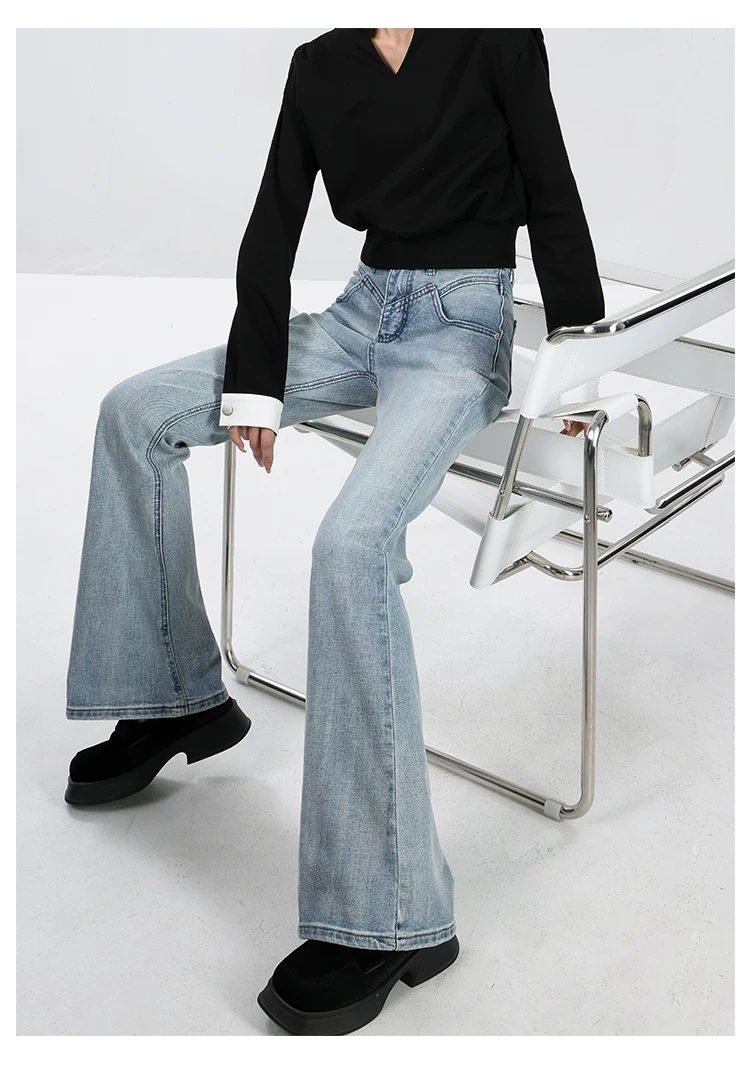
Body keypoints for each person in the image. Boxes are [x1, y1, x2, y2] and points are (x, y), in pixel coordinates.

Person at [63, 28, 604, 1035]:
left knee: (350, 548)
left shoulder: (495, 37)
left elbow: (552, 185)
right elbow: (273, 220)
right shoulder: (320, 64)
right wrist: (256, 381)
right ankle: (173, 697)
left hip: (461, 329)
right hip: (361, 315)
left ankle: (393, 916)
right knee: (133, 413)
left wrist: (576, 350)